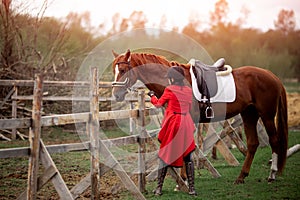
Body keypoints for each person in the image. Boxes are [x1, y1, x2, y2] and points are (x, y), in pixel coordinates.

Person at [148, 66, 197, 196]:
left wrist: (152, 96)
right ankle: (192, 189)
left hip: (174, 122)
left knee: (165, 155)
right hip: (186, 121)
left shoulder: (169, 89)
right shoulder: (188, 90)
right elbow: (190, 106)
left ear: (172, 78)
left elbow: (158, 104)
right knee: (188, 156)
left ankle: (158, 188)